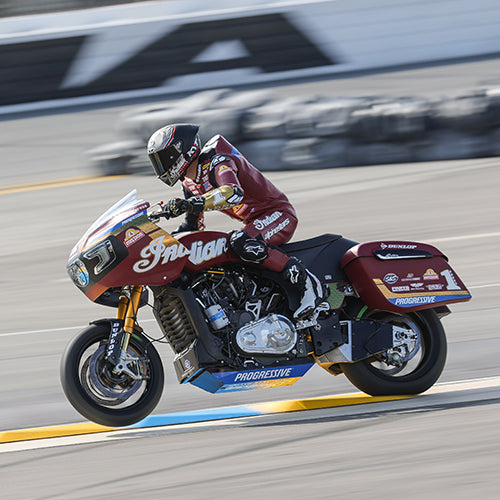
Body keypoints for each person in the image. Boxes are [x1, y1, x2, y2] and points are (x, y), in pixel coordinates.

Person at [147, 123, 324, 320]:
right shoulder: (189, 182)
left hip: (278, 214)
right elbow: (191, 226)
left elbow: (232, 192)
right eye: (157, 161)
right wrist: (165, 242)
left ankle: (308, 284)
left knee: (240, 241)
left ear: (183, 151)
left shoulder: (218, 161)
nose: (161, 166)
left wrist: (188, 204)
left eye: (164, 158)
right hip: (254, 221)